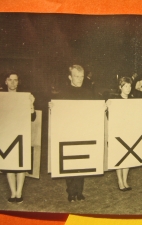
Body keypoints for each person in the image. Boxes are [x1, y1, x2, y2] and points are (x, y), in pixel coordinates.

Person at [51, 65, 93, 202]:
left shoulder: (88, 93)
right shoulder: (62, 94)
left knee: (81, 161)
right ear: (70, 77)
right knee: (69, 162)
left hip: (82, 131)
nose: (80, 79)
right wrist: (52, 108)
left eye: (82, 77)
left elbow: (93, 112)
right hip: (68, 132)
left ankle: (79, 191)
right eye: (76, 76)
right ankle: (70, 191)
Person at [2, 72, 36, 203]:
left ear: (18, 82)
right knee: (9, 164)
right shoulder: (0, 98)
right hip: (6, 134)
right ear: (5, 81)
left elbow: (32, 117)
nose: (12, 83)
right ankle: (13, 193)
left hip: (21, 134)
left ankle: (19, 192)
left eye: (15, 80)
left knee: (21, 164)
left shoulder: (24, 97)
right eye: (10, 80)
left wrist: (31, 104)